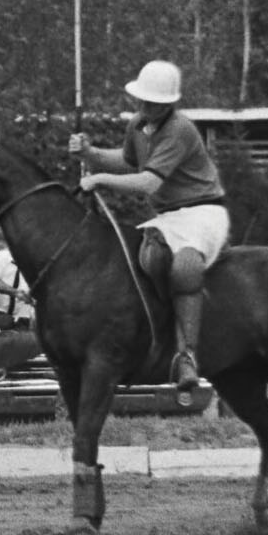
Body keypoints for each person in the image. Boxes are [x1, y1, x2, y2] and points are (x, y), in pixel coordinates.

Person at [69, 60, 229, 392]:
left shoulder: (179, 129)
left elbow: (149, 182)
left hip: (203, 212)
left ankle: (188, 356)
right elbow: (127, 160)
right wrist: (90, 152)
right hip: (169, 216)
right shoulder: (139, 126)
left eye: (154, 102)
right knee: (149, 259)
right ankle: (161, 326)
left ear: (169, 102)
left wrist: (99, 178)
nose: (146, 106)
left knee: (185, 267)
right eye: (143, 100)